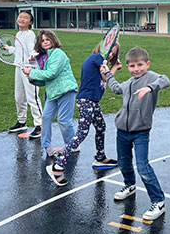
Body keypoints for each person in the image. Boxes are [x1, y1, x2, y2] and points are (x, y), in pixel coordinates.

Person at [101, 47, 170, 221]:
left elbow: (166, 80)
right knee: (124, 163)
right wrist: (108, 73)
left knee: (143, 167)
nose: (136, 69)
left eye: (140, 65)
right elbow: (117, 89)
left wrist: (150, 88)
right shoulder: (130, 82)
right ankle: (129, 185)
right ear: (128, 66)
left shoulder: (152, 78)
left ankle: (158, 201)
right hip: (122, 131)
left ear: (147, 64)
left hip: (141, 132)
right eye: (132, 66)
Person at [45, 43, 121, 187]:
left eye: (114, 53)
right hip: (87, 101)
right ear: (102, 47)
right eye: (109, 50)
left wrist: (111, 66)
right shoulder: (97, 57)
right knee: (81, 133)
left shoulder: (98, 60)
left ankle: (100, 157)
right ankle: (58, 166)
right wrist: (115, 68)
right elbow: (105, 77)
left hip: (92, 102)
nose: (110, 54)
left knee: (101, 126)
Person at [22, 30, 78, 161]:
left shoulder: (58, 54)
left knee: (64, 120)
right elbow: (45, 80)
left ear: (53, 40)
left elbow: (51, 73)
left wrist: (31, 72)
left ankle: (72, 145)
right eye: (42, 40)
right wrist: (32, 78)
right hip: (52, 93)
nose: (45, 42)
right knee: (46, 118)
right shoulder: (43, 57)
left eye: (48, 39)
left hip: (66, 90)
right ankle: (47, 146)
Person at [7, 11, 43, 138]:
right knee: (19, 97)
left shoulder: (30, 35)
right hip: (19, 68)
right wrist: (9, 49)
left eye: (26, 18)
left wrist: (33, 58)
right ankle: (21, 122)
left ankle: (39, 125)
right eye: (20, 16)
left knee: (32, 98)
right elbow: (19, 51)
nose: (22, 19)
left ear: (30, 22)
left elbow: (34, 51)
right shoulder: (19, 34)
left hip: (29, 69)